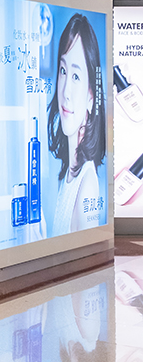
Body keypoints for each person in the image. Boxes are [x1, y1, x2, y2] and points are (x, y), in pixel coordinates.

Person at [46, 14, 105, 236]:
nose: (65, 91)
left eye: (77, 77)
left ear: (91, 96)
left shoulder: (87, 184)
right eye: (63, 71)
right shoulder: (67, 175)